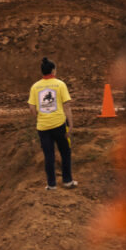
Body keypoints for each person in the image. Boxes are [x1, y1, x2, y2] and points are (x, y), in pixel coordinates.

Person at [27, 57, 77, 190]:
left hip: (43, 127)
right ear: (53, 70)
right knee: (65, 151)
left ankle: (51, 184)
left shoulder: (35, 87)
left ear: (42, 72)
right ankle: (67, 181)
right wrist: (70, 124)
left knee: (48, 155)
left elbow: (32, 109)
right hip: (59, 124)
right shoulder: (60, 84)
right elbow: (67, 106)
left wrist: (41, 115)